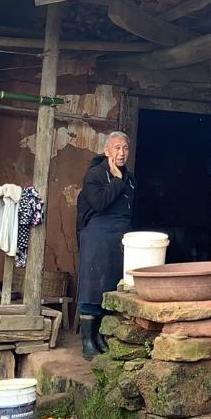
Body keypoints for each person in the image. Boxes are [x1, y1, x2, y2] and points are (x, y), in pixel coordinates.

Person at [76, 131, 135, 360]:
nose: (121, 153)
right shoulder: (95, 175)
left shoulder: (130, 178)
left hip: (120, 237)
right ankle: (87, 341)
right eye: (117, 148)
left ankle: (100, 336)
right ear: (106, 151)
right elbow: (99, 203)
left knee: (111, 286)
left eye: (125, 148)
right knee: (92, 286)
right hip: (98, 236)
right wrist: (117, 181)